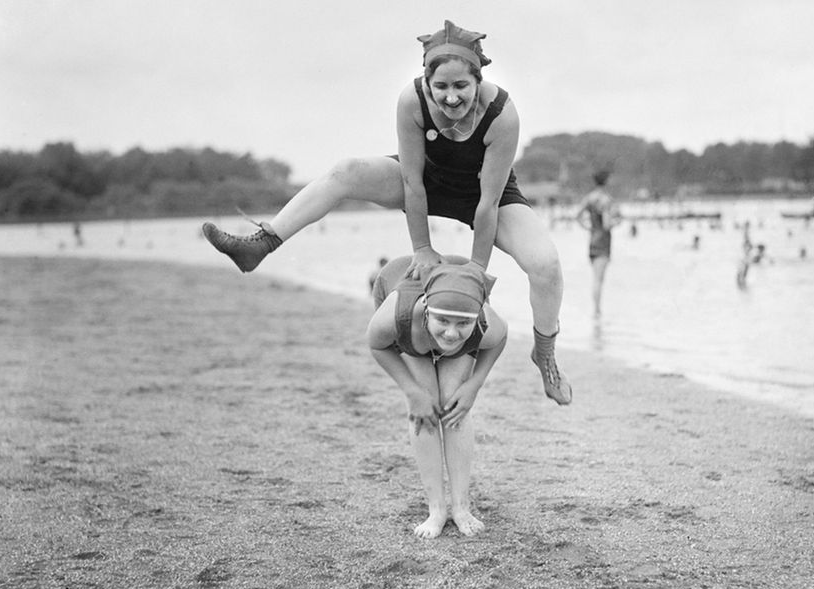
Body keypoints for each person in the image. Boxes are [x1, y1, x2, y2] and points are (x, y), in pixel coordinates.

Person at [201, 20, 571, 405]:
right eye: (440, 87)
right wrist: (423, 249)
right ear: (426, 83)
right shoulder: (411, 101)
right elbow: (412, 183)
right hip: (427, 181)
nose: (450, 97)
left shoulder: (501, 113)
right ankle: (261, 244)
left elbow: (487, 203)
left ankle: (545, 352)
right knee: (347, 172)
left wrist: (478, 268)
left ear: (477, 80)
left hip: (485, 193)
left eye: (461, 86)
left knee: (546, 264)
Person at [368, 256, 507, 538]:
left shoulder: (484, 322)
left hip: (459, 287)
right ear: (428, 311)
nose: (451, 332)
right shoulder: (398, 315)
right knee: (425, 404)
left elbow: (499, 340)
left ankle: (461, 507)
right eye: (443, 321)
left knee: (454, 402)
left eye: (462, 324)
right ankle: (436, 509)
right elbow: (376, 344)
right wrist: (412, 391)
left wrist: (475, 386)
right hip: (411, 326)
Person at [576, 168, 622, 318]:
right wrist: (618, 222)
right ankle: (597, 310)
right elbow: (607, 224)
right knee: (599, 280)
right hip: (603, 241)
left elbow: (578, 216)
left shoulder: (589, 198)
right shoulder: (606, 199)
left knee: (595, 277)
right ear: (606, 181)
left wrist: (588, 227)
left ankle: (596, 309)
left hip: (592, 240)